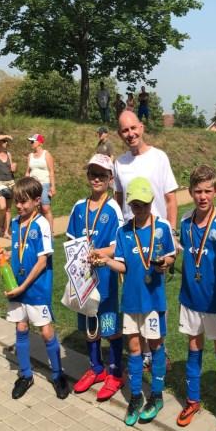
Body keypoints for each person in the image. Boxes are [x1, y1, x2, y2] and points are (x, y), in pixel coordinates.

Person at [95, 177, 176, 425]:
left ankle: (157, 395)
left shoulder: (161, 228)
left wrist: (165, 263)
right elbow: (123, 265)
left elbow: (171, 257)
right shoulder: (123, 231)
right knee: (133, 349)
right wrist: (107, 262)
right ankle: (137, 396)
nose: (139, 209)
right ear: (130, 205)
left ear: (151, 201)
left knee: (155, 347)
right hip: (130, 301)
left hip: (153, 300)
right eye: (135, 205)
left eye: (144, 204)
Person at [176, 165, 216, 431]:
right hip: (190, 298)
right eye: (198, 191)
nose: (202, 196)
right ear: (190, 192)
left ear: (215, 192)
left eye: (207, 191)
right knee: (193, 347)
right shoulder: (185, 221)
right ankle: (193, 400)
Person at [114, 110, 178, 369]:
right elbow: (119, 200)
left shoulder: (159, 157)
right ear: (120, 134)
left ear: (141, 127)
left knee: (155, 297)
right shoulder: (119, 163)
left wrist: (171, 236)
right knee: (133, 297)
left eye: (133, 128)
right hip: (130, 241)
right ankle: (143, 353)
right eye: (125, 131)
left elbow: (171, 199)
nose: (130, 134)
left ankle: (159, 349)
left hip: (156, 241)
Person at [0, 177, 69, 400]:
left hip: (35, 289)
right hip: (17, 286)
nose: (18, 206)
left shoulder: (42, 224)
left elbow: (42, 261)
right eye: (16, 201)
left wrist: (23, 287)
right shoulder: (16, 223)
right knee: (21, 329)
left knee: (46, 333)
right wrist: (6, 257)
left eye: (24, 202)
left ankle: (58, 374)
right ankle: (25, 374)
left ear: (37, 201)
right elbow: (20, 250)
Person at [66, 154, 125, 402]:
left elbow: (118, 246)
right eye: (93, 174)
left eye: (102, 174)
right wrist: (76, 255)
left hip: (105, 278)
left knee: (109, 327)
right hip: (83, 279)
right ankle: (96, 367)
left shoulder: (112, 209)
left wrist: (99, 253)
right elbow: (70, 239)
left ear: (110, 179)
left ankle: (115, 372)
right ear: (88, 176)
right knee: (91, 327)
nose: (97, 179)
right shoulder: (79, 207)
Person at [25, 134, 56, 233]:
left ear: (39, 142)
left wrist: (53, 187)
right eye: (30, 142)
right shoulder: (30, 156)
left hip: (44, 184)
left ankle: (50, 232)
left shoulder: (46, 154)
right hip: (33, 186)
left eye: (32, 141)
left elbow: (51, 171)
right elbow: (28, 172)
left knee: (45, 208)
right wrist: (25, 184)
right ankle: (40, 231)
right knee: (35, 209)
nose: (31, 144)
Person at [0, 133, 17, 239]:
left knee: (8, 209)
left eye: (7, 141)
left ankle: (5, 232)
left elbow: (12, 169)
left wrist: (14, 168)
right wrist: (6, 136)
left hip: (10, 182)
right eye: (4, 141)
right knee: (2, 207)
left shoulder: (8, 154)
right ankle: (0, 222)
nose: (6, 143)